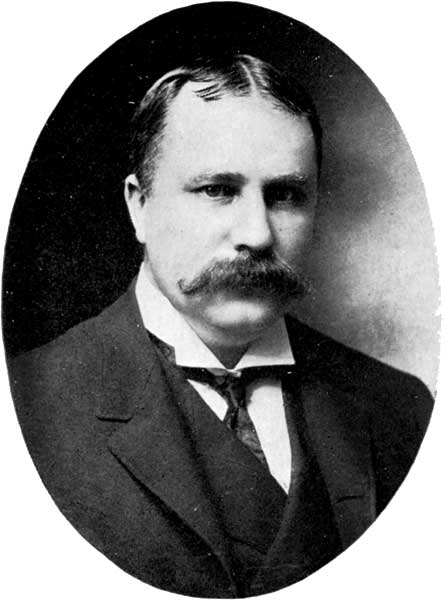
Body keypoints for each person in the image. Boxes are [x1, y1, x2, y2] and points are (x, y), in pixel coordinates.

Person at [9, 54, 433, 597]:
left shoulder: (400, 410)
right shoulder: (29, 407)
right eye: (217, 190)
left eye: (285, 195)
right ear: (139, 206)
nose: (257, 234)